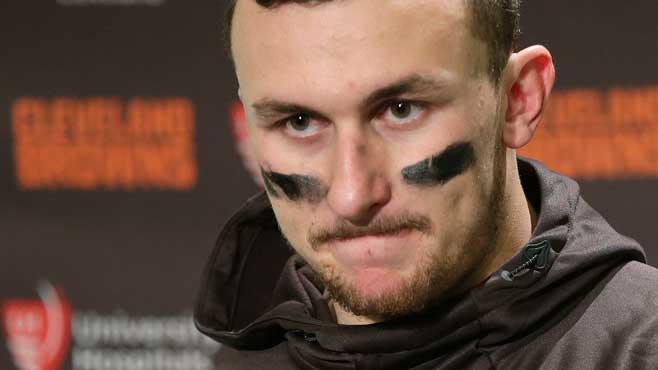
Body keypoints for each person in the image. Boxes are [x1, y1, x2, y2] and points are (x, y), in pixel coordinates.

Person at [194, 0, 658, 369]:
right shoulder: (247, 356)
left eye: (401, 110)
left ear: (517, 100)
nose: (353, 196)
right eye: (298, 122)